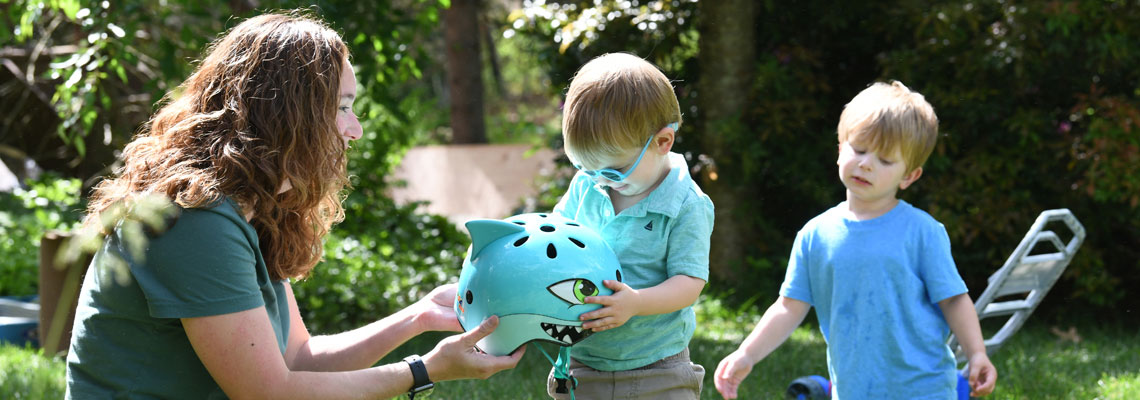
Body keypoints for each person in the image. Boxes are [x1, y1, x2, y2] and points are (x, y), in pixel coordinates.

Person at [66, 12, 522, 399]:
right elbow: (270, 392)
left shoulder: (253, 207)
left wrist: (417, 316)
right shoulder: (196, 219)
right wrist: (424, 370)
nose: (355, 129)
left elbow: (299, 359)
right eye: (343, 106)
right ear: (287, 113)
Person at [713, 81, 997, 399]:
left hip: (923, 387)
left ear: (909, 176)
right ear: (839, 149)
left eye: (885, 160)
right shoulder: (814, 235)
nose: (865, 163)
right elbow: (788, 307)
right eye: (859, 150)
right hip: (853, 390)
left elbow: (953, 299)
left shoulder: (922, 232)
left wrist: (976, 353)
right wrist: (747, 354)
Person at [547, 52, 714, 399]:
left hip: (658, 366)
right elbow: (557, 237)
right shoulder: (588, 185)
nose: (600, 181)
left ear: (662, 142)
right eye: (586, 168)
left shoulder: (686, 204)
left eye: (611, 171)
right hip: (583, 361)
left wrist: (636, 303)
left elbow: (689, 282)